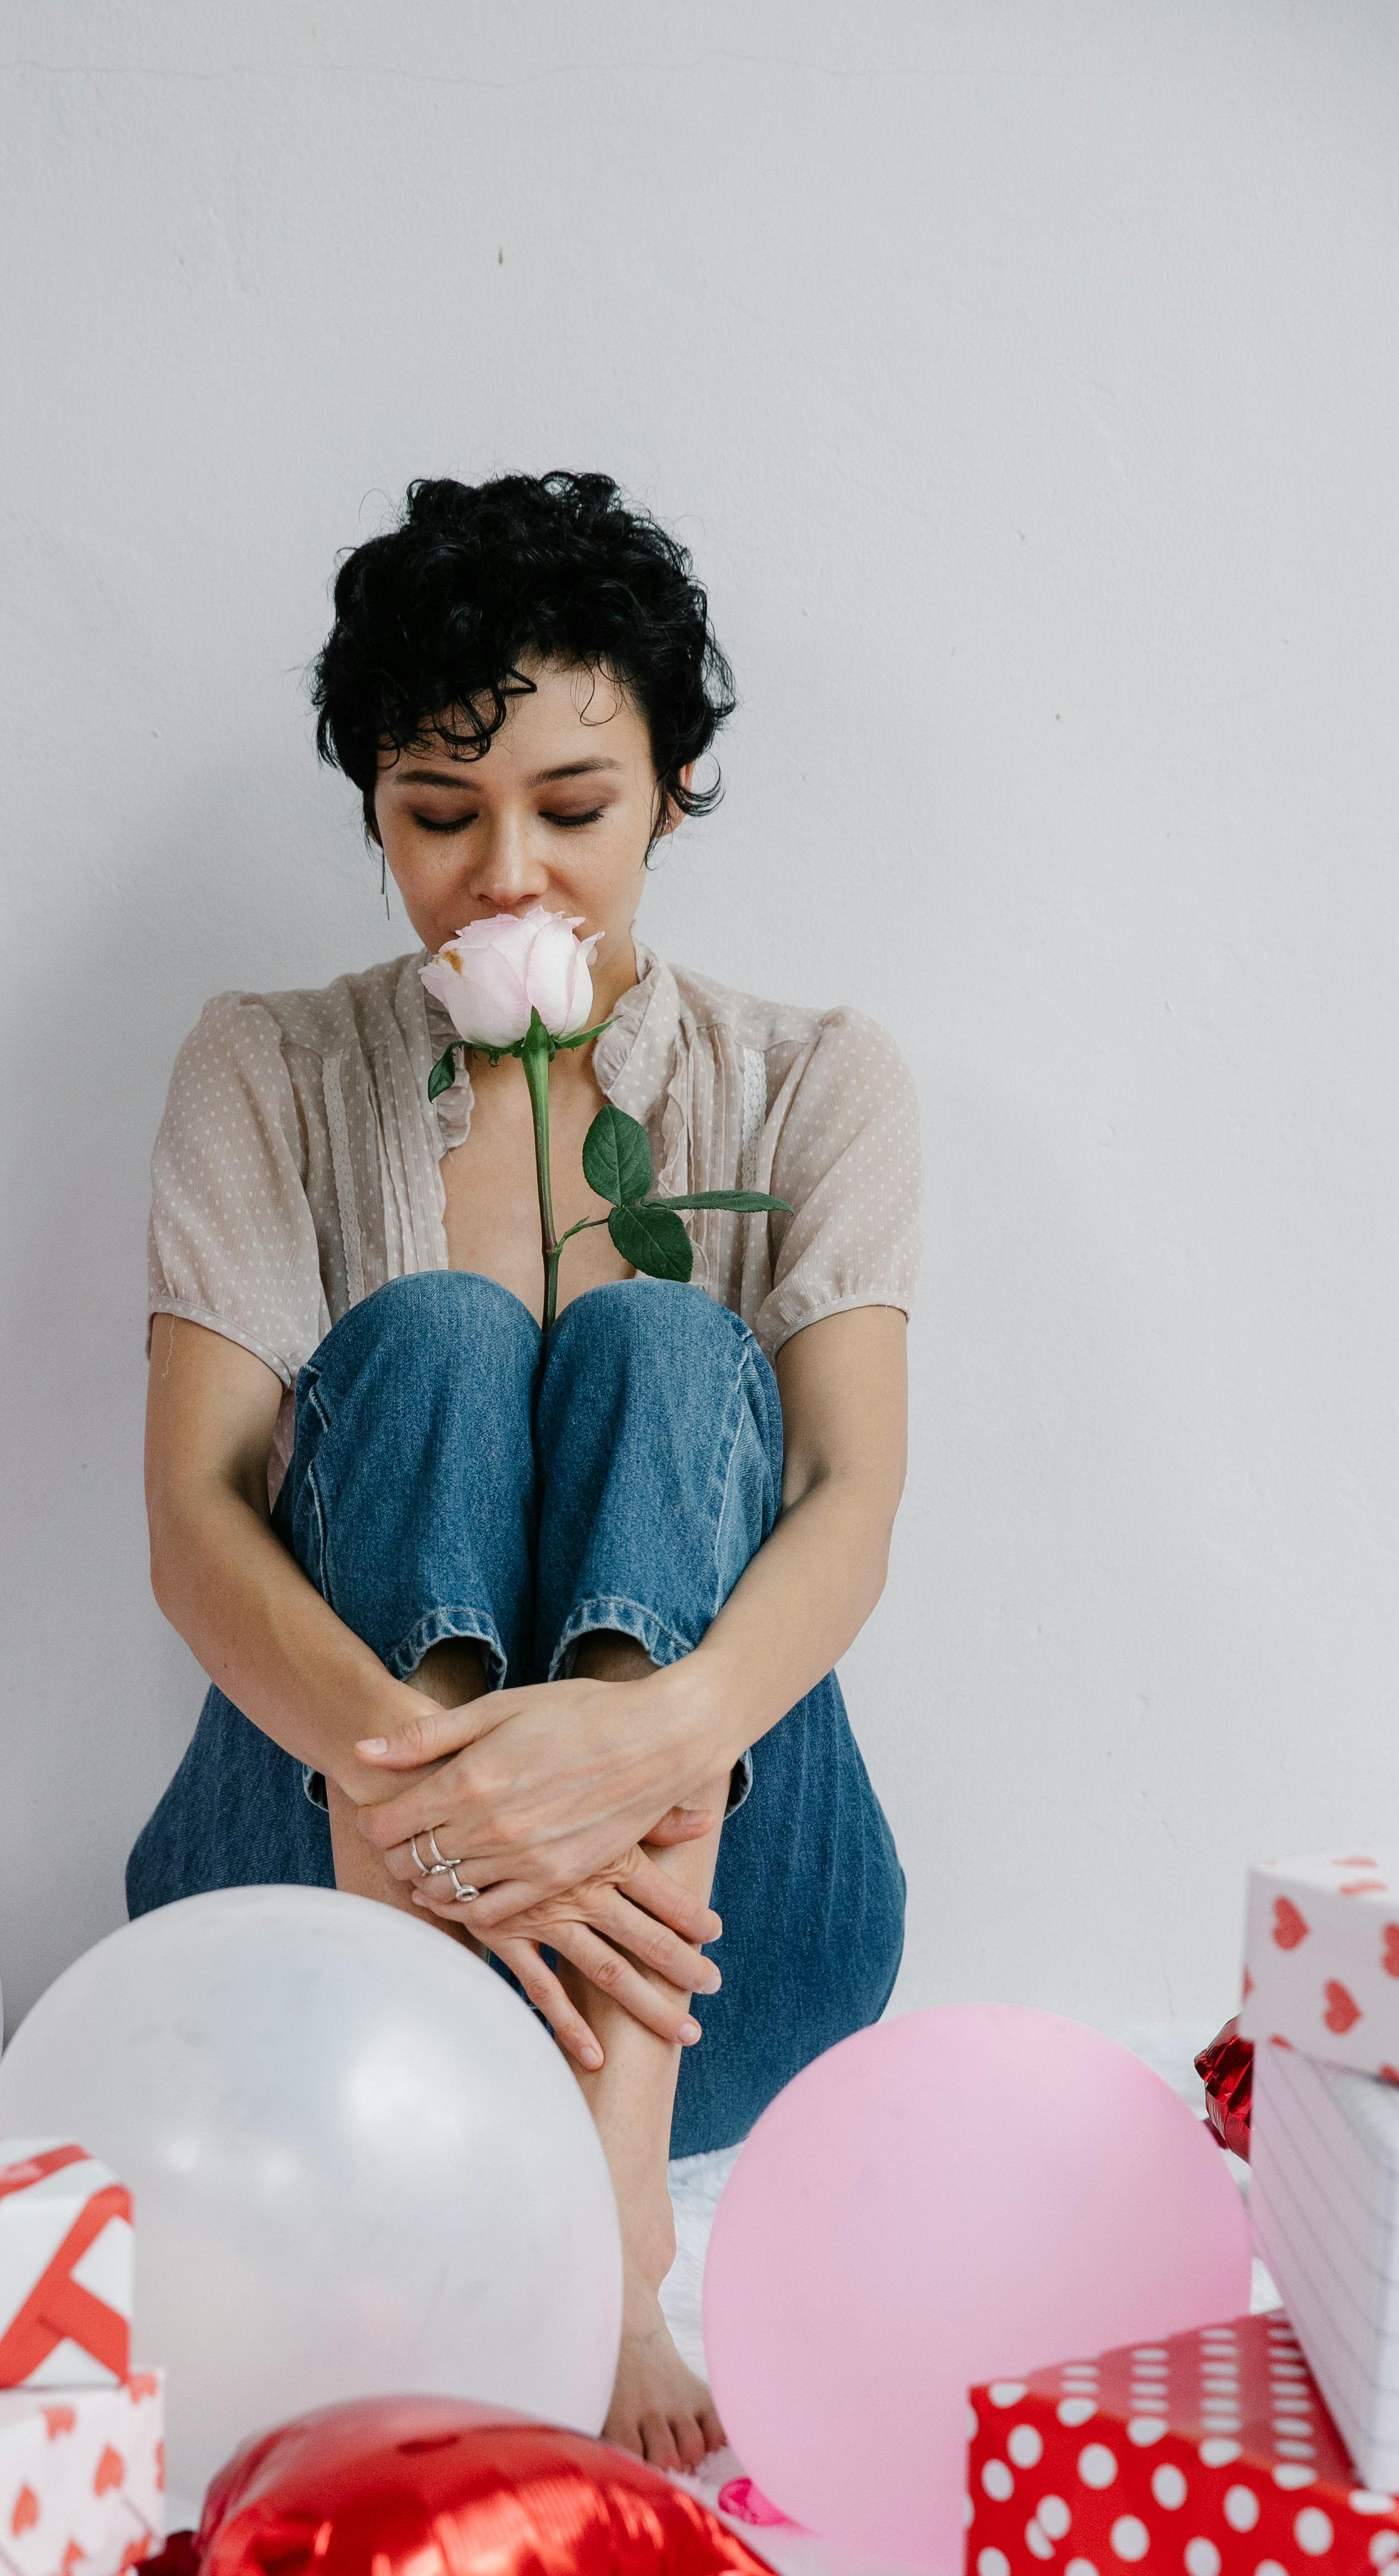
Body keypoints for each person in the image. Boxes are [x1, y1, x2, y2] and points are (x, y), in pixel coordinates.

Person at [129, 471, 920, 2471]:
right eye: (435, 813)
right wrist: (447, 1783)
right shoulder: (267, 1068)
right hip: (328, 1887)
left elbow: (850, 1503)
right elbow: (195, 1518)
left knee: (660, 1331)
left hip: (724, 1945)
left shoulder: (815, 1078)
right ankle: (432, 2146)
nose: (509, 879)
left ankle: (608, 2204)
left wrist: (640, 1749)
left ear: (670, 788)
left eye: (574, 809)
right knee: (446, 1335)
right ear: (376, 809)